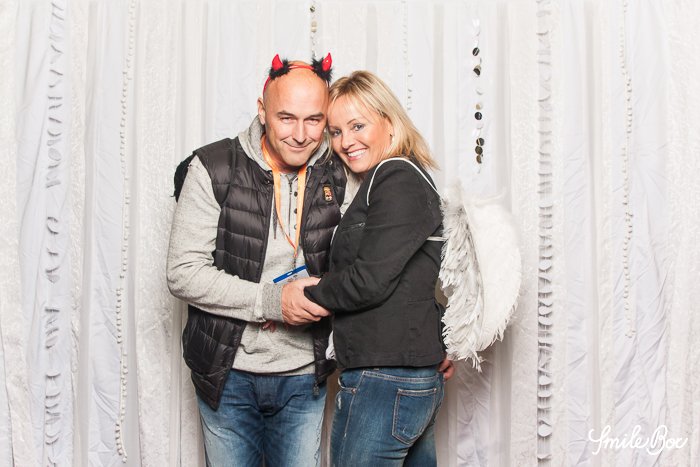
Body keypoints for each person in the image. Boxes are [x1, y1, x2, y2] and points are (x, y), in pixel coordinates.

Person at [166, 54, 350, 467]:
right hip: (227, 373)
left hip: (305, 374)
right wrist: (273, 302)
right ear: (262, 111)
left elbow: (378, 257)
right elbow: (183, 272)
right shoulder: (213, 166)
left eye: (314, 120)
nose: (301, 135)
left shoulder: (340, 171)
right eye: (286, 118)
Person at [304, 70, 454, 466]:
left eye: (357, 126)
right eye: (336, 132)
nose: (345, 142)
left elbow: (370, 280)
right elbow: (412, 277)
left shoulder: (396, 177)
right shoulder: (388, 178)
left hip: (385, 379)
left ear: (389, 121)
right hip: (401, 374)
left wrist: (306, 292)